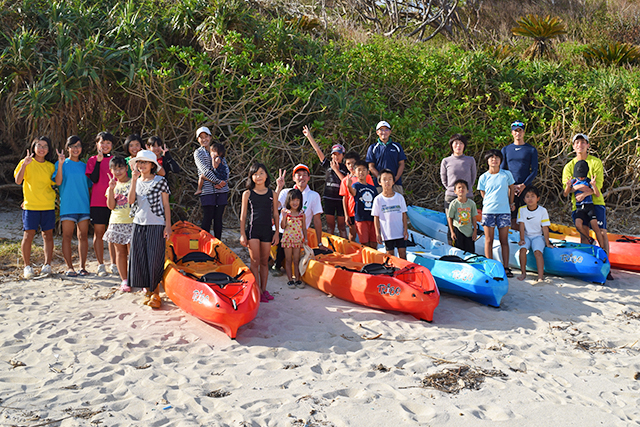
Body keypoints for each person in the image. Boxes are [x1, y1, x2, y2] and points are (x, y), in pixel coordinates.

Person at [127, 150, 172, 309]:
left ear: (153, 165)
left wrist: (168, 226)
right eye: (139, 162)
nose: (141, 165)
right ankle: (147, 290)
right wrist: (133, 181)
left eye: (145, 162)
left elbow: (166, 204)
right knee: (140, 258)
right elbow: (131, 201)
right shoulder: (136, 180)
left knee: (155, 258)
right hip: (138, 223)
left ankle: (156, 293)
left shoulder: (160, 181)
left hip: (156, 223)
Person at [562, 134, 611, 274]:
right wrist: (575, 189)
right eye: (577, 143)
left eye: (583, 142)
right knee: (583, 233)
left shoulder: (595, 162)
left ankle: (606, 265)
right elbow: (567, 189)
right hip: (578, 205)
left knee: (601, 232)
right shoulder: (568, 166)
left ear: (588, 145)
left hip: (596, 202)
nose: (580, 145)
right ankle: (588, 265)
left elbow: (598, 186)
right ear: (573, 146)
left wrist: (584, 192)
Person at [14, 137, 57, 279]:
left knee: (48, 235)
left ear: (48, 150)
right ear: (33, 147)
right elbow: (18, 180)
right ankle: (27, 266)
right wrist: (25, 165)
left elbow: (56, 182)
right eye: (39, 145)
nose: (42, 148)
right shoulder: (25, 163)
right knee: (28, 235)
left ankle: (47, 265)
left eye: (45, 146)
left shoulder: (50, 166)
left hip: (47, 205)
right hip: (30, 206)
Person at [239, 163, 280, 302]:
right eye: (255, 174)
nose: (258, 176)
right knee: (254, 261)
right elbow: (243, 216)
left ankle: (264, 290)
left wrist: (276, 233)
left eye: (261, 173)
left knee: (264, 261)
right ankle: (255, 290)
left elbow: (275, 214)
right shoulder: (247, 194)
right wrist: (242, 234)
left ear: (266, 175)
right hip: (253, 230)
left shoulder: (272, 194)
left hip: (267, 230)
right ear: (251, 177)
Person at [273, 164, 324, 275]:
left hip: (298, 234)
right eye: (299, 175)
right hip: (283, 231)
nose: (301, 178)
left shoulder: (314, 196)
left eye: (304, 175)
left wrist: (320, 243)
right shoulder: (285, 192)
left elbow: (317, 220)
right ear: (293, 178)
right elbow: (273, 207)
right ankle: (276, 264)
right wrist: (279, 187)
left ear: (309, 178)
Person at [54, 135, 92, 277]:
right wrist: (61, 164)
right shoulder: (61, 163)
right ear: (67, 148)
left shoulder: (84, 166)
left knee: (83, 236)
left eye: (78, 146)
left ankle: (82, 267)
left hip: (83, 206)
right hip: (68, 206)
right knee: (67, 237)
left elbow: (88, 186)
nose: (76, 149)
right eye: (73, 146)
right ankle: (70, 267)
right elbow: (58, 182)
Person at [302, 125, 348, 237]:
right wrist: (309, 136)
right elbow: (318, 150)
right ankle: (329, 248)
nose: (336, 157)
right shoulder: (328, 164)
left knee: (342, 226)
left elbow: (345, 182)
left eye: (338, 154)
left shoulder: (346, 168)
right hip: (329, 198)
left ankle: (345, 249)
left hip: (341, 199)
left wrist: (336, 170)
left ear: (342, 155)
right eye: (334, 154)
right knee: (330, 226)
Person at [478, 149, 516, 277]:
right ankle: (489, 266)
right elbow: (483, 192)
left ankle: (506, 267)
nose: (494, 160)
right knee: (488, 240)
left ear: (501, 160)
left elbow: (512, 187)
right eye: (491, 157)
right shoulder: (483, 177)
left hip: (504, 211)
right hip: (488, 211)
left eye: (497, 158)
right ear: (487, 161)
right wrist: (489, 202)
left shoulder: (506, 174)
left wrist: (511, 203)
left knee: (504, 240)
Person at [86, 131, 117, 277]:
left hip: (114, 202)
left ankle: (114, 263)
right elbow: (94, 178)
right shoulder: (92, 160)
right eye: (102, 142)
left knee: (112, 234)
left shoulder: (116, 161)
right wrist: (98, 161)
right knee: (99, 233)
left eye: (108, 143)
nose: (105, 145)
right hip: (98, 201)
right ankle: (100, 264)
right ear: (97, 144)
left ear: (112, 145)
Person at [501, 120, 538, 229]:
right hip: (511, 187)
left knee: (528, 215)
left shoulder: (531, 150)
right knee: (512, 216)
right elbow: (502, 170)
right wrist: (510, 185)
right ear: (512, 133)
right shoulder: (506, 149)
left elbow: (534, 170)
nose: (518, 133)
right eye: (515, 131)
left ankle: (528, 239)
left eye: (520, 131)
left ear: (523, 132)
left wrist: (523, 185)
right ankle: (513, 241)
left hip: (525, 187)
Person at [104, 156, 134, 292]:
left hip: (133, 222)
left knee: (134, 253)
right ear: (111, 170)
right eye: (115, 169)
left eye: (121, 168)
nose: (118, 171)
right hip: (117, 222)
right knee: (120, 253)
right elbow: (111, 206)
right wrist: (111, 189)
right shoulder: (112, 185)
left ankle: (137, 279)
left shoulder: (134, 182)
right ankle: (125, 280)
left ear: (126, 168)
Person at [193, 126, 228, 239]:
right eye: (201, 137)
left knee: (218, 219)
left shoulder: (217, 149)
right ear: (198, 139)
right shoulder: (198, 153)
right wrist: (217, 181)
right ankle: (204, 244)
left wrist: (224, 181)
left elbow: (226, 167)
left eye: (206, 136)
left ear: (210, 137)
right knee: (207, 218)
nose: (204, 139)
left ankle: (218, 244)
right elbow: (204, 171)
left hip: (222, 189)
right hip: (207, 190)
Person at [562, 160, 605, 248]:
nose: (581, 178)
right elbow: (565, 194)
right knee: (578, 225)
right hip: (579, 208)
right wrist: (568, 186)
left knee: (596, 227)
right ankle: (589, 239)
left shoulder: (589, 181)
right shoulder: (574, 181)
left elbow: (597, 194)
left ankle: (602, 248)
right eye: (579, 176)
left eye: (582, 176)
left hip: (589, 206)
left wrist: (593, 185)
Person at [516, 186, 553, 282]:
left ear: (538, 198)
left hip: (538, 237)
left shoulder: (542, 211)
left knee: (538, 252)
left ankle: (540, 276)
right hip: (527, 236)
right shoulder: (522, 210)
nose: (530, 199)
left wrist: (547, 242)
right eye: (527, 196)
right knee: (522, 250)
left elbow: (545, 227)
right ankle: (523, 273)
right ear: (524, 199)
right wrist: (522, 239)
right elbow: (521, 225)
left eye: (533, 196)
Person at [372, 169, 408, 259]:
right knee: (390, 256)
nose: (387, 181)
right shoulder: (378, 199)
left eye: (390, 179)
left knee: (403, 255)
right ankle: (392, 272)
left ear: (393, 181)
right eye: (384, 179)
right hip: (387, 233)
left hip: (399, 232)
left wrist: (405, 229)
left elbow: (404, 214)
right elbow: (376, 217)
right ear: (379, 182)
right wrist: (377, 233)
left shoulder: (399, 197)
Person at [339, 151, 374, 242]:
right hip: (351, 211)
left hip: (364, 210)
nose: (350, 166)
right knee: (352, 233)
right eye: (348, 164)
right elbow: (344, 198)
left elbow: (371, 192)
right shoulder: (345, 180)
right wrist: (346, 215)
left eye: (353, 163)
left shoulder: (367, 177)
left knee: (367, 234)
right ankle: (352, 253)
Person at [366, 121, 407, 193]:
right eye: (381, 130)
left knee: (397, 204)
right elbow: (371, 166)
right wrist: (381, 179)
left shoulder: (397, 146)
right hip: (379, 186)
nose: (384, 132)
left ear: (390, 132)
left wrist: (395, 178)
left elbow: (401, 163)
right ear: (377, 132)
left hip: (396, 184)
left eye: (386, 129)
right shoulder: (373, 148)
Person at [440, 134, 477, 213]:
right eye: (456, 143)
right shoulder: (446, 161)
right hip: (451, 196)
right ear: (451, 145)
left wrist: (466, 190)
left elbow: (473, 177)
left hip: (467, 196)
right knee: (451, 222)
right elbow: (444, 179)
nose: (458, 145)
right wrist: (452, 189)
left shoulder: (470, 160)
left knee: (466, 222)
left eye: (461, 143)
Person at [348, 160, 378, 248]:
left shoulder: (372, 188)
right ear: (354, 172)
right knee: (365, 243)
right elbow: (353, 193)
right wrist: (349, 186)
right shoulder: (355, 185)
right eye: (359, 170)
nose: (361, 172)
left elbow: (376, 202)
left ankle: (375, 260)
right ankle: (366, 261)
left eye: (364, 170)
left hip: (372, 218)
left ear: (368, 172)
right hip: (361, 218)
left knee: (374, 242)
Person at [280, 189, 307, 289]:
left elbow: (304, 227)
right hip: (287, 239)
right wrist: (283, 217)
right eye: (293, 200)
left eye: (297, 200)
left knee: (296, 260)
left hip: (297, 240)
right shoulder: (286, 213)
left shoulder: (301, 214)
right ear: (288, 201)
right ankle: (290, 280)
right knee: (288, 260)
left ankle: (298, 279)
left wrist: (306, 238)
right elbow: (282, 226)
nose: (295, 203)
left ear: (300, 201)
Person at [446, 179, 478, 254]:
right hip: (458, 230)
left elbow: (474, 217)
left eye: (463, 187)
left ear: (467, 191)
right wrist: (452, 232)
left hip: (469, 232)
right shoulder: (454, 204)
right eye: (459, 187)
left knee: (470, 252)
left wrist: (475, 231)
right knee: (458, 252)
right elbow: (450, 217)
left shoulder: (471, 204)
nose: (461, 189)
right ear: (455, 191)